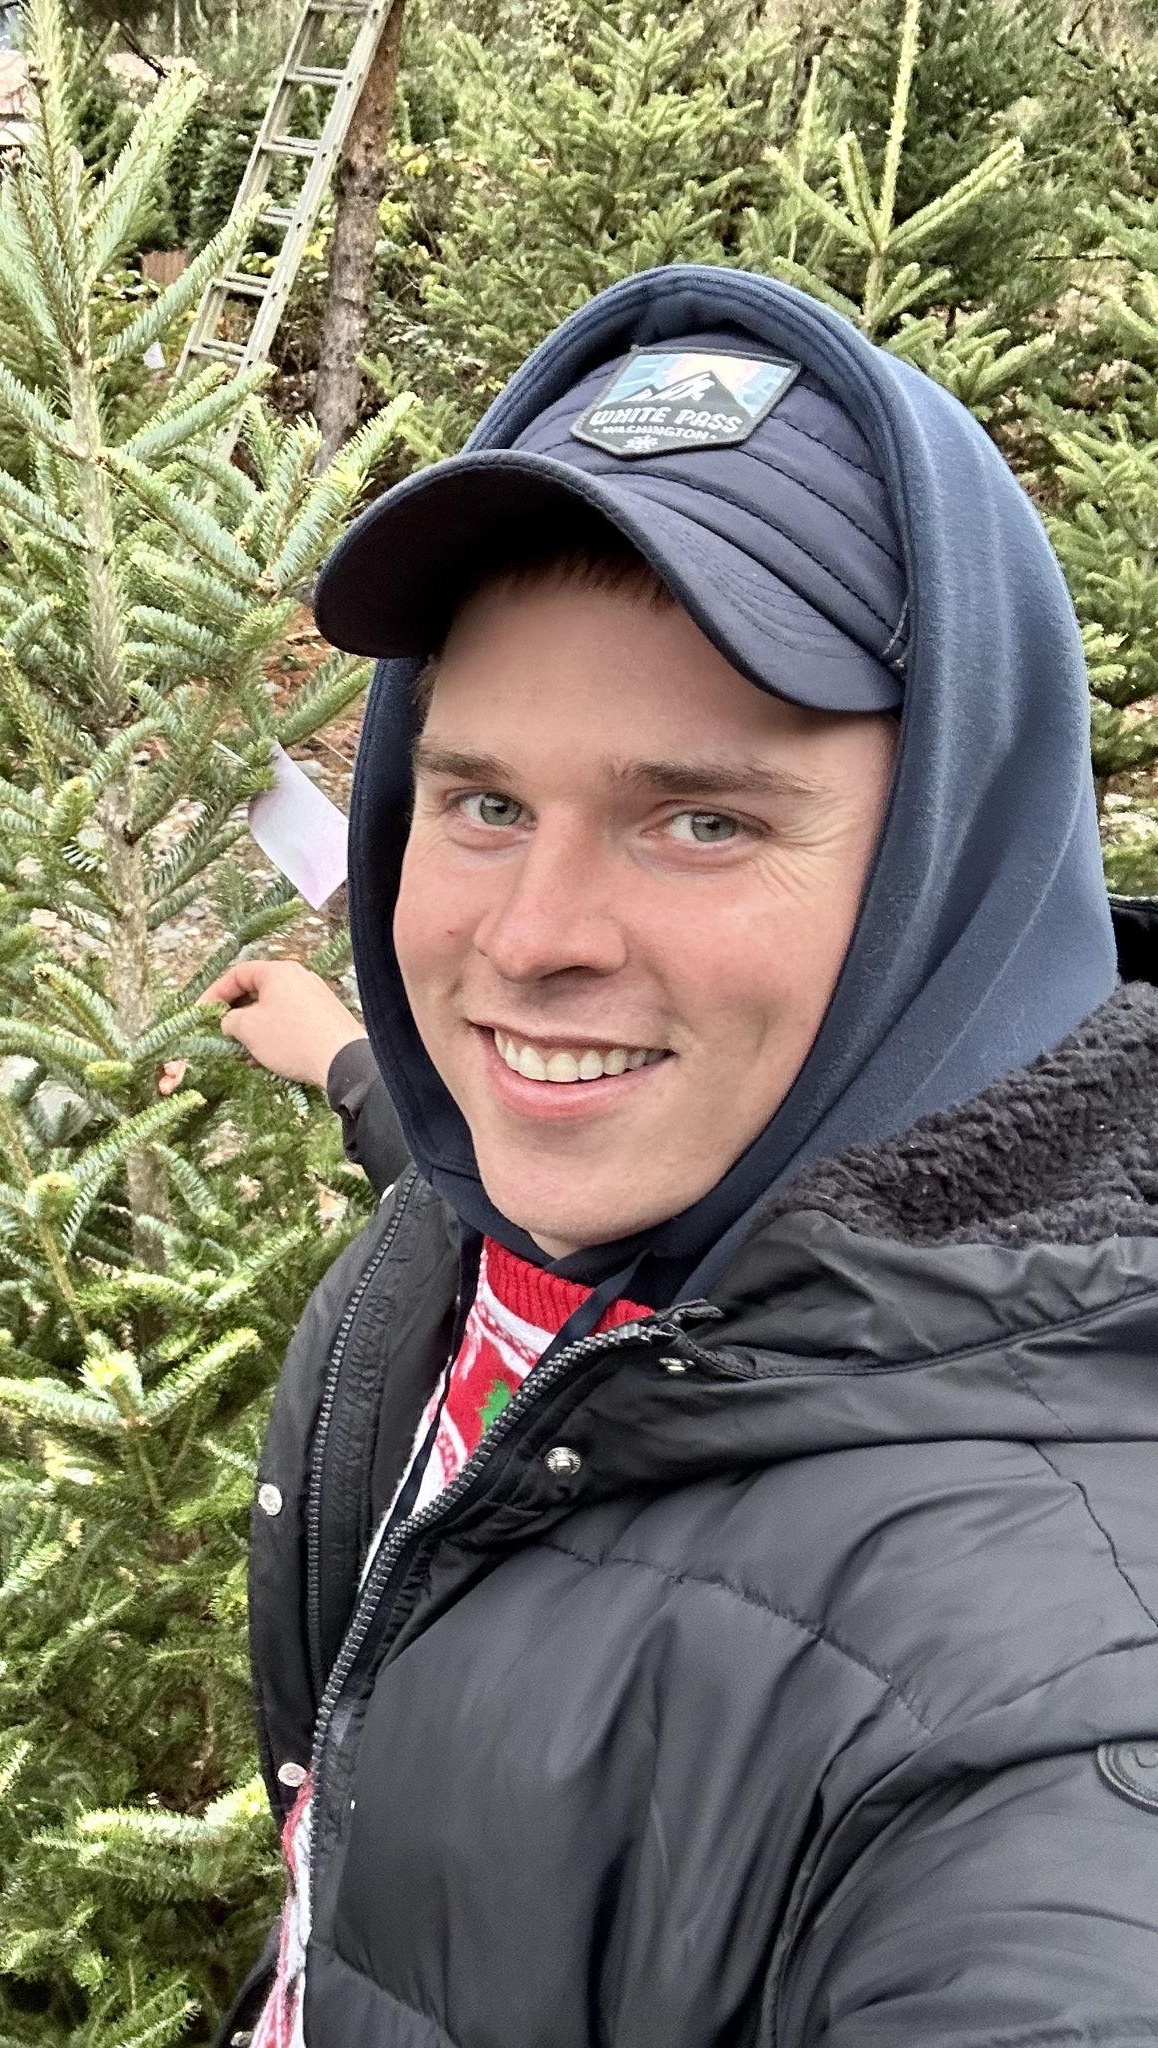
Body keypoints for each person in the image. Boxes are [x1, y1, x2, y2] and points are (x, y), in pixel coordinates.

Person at [203, 263, 1158, 2045]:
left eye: (698, 817)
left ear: (949, 863)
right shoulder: (535, 1215)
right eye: (480, 801)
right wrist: (346, 1063)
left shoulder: (1060, 1694)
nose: (529, 934)